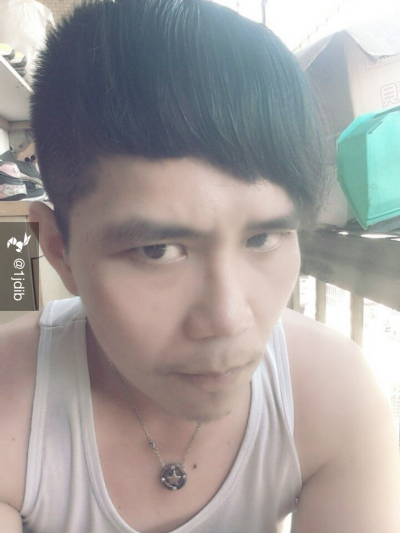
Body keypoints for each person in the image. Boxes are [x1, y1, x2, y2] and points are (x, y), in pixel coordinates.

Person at [1, 0, 399, 531]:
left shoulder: (333, 393)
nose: (229, 319)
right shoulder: (11, 404)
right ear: (58, 250)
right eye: (158, 250)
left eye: (263, 238)